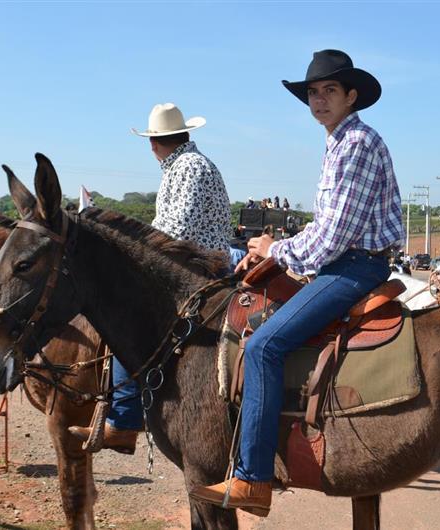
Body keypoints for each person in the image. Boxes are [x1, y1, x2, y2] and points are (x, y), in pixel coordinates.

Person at [190, 49, 404, 516]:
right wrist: (277, 247)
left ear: (351, 96)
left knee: (263, 346)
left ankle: (253, 478)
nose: (319, 100)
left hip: (354, 267)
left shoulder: (356, 144)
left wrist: (275, 251)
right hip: (344, 262)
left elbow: (334, 235)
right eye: (313, 93)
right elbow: (326, 227)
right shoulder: (339, 142)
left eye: (330, 90)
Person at [69, 102, 232, 454]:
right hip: (201, 264)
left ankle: (124, 420)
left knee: (125, 317)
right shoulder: (191, 165)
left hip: (197, 271)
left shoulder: (187, 167)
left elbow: (174, 232)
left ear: (153, 143)